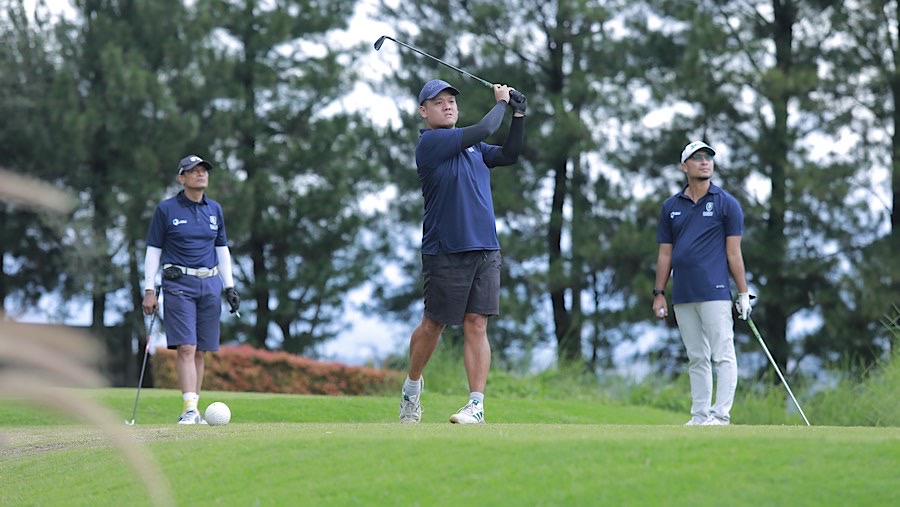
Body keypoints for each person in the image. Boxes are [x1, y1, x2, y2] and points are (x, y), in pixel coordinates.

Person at [399, 79, 527, 424]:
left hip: (486, 247)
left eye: (451, 100)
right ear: (424, 112)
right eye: (438, 102)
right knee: (434, 324)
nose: (448, 106)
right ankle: (412, 389)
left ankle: (476, 404)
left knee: (477, 323)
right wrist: (501, 103)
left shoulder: (475, 150)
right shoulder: (432, 143)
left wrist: (518, 115)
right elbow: (485, 127)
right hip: (446, 249)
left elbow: (510, 155)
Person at [652, 140, 753, 426]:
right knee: (697, 357)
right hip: (683, 293)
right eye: (697, 158)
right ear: (684, 166)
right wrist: (659, 293)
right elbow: (665, 253)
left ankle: (720, 416)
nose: (705, 162)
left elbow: (734, 253)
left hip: (716, 292)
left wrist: (743, 292)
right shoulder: (671, 206)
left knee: (722, 354)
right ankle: (699, 415)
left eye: (708, 157)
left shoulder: (726, 204)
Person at [142, 154, 241, 425]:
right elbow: (153, 251)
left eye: (203, 170)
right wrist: (149, 289)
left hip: (210, 284)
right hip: (178, 284)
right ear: (181, 178)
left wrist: (229, 286)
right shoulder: (166, 209)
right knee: (186, 346)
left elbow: (222, 250)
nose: (200, 174)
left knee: (200, 351)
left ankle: (194, 409)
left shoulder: (214, 210)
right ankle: (189, 409)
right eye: (193, 171)